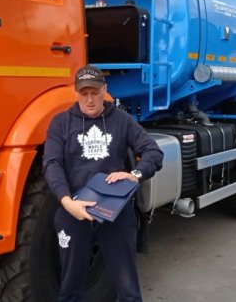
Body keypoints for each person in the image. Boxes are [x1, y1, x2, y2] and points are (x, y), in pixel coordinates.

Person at [43, 65, 164, 302]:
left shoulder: (122, 120)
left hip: (114, 210)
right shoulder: (60, 123)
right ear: (76, 92)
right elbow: (52, 164)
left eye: (95, 92)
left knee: (128, 288)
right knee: (70, 287)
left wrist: (135, 174)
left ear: (104, 90)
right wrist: (67, 202)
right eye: (84, 93)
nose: (90, 99)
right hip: (75, 209)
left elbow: (153, 151)